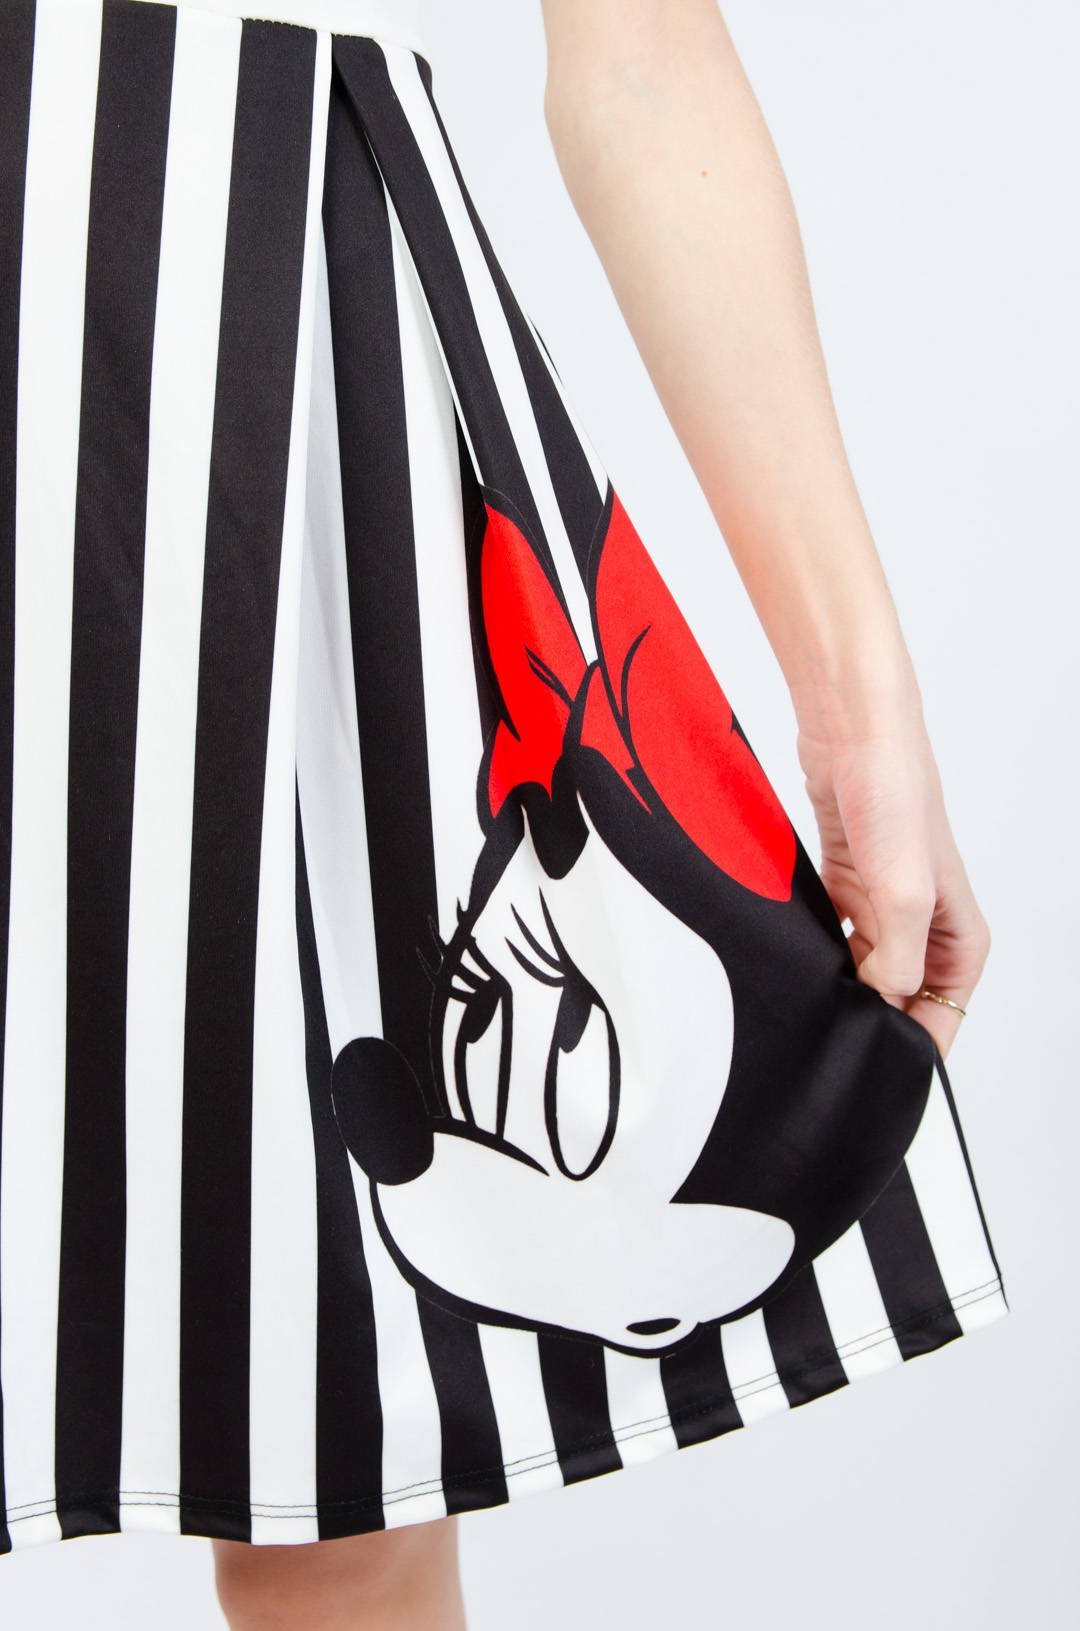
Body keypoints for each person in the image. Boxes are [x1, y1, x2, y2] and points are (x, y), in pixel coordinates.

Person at [0, 0, 1008, 1625]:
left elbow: (640, 58)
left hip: (277, 344)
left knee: (343, 1452)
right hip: (266, 309)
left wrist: (858, 707)